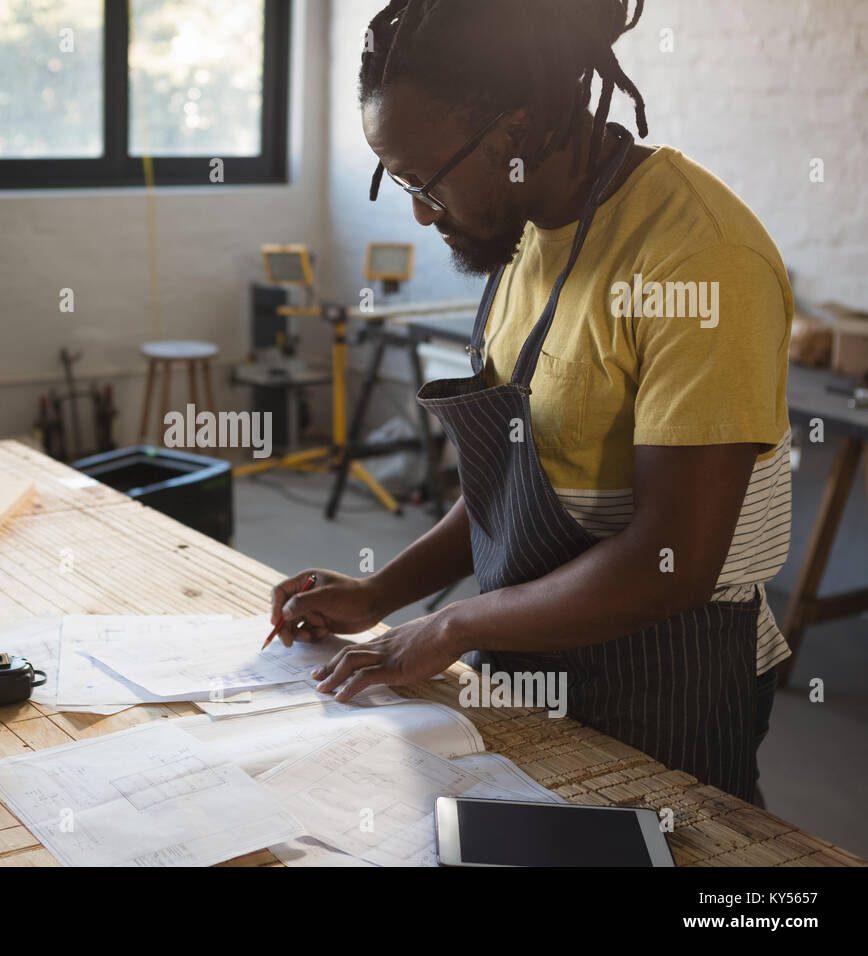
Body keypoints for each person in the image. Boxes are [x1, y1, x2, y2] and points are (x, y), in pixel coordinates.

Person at [270, 0, 791, 805]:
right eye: (396, 177)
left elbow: (672, 564)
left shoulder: (699, 258)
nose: (417, 209)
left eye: (423, 178)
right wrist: (381, 595)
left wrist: (450, 624)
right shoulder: (525, 239)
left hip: (666, 677)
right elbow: (517, 491)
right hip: (528, 653)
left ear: (513, 129)